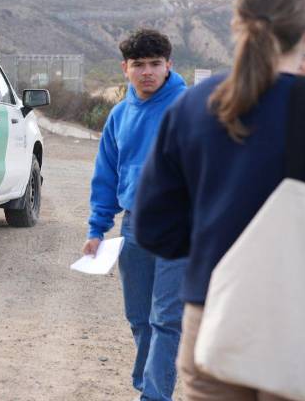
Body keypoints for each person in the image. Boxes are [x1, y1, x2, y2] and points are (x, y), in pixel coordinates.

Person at [132, 0, 305, 400]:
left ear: (238, 24)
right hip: (304, 326)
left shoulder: (193, 106)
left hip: (212, 320)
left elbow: (153, 229)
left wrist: (217, 240)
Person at [81, 28, 187, 401]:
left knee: (166, 319)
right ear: (124, 68)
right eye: (138, 64)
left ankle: (154, 395)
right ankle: (149, 383)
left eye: (155, 64)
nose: (147, 72)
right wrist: (96, 229)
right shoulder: (119, 115)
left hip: (180, 226)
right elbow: (106, 176)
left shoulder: (189, 110)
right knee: (139, 318)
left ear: (169, 65)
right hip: (136, 225)